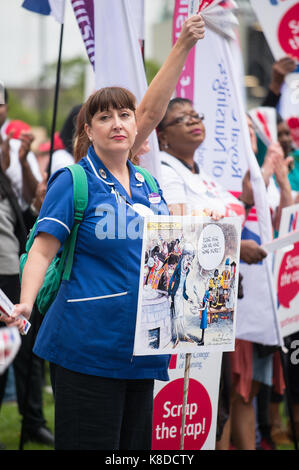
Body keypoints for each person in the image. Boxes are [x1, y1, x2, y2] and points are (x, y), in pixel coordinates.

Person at [2, 15, 206, 450]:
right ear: (88, 130)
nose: (117, 121)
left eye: (125, 115)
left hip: (143, 348)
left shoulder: (150, 186)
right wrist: (24, 300)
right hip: (87, 346)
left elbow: (164, 261)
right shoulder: (74, 181)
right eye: (105, 116)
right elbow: (40, 251)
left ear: (136, 128)